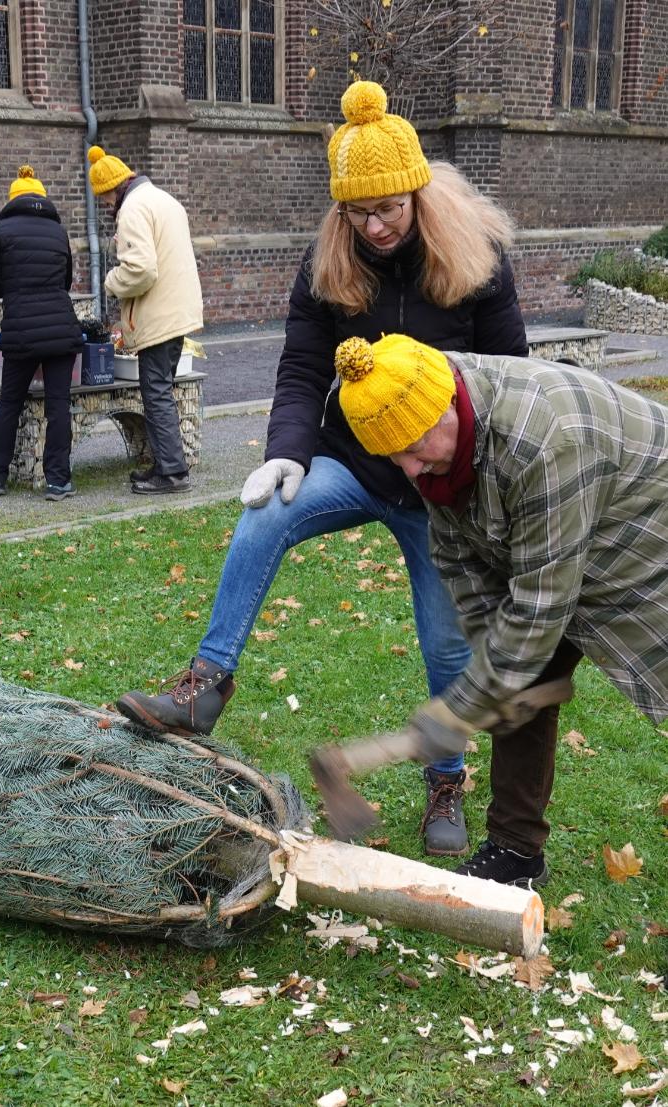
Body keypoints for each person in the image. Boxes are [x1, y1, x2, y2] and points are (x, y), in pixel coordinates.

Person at [116, 80, 529, 858]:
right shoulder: (330, 259)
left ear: (415, 194)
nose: (375, 226)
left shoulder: (475, 258)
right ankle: (205, 685)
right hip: (352, 461)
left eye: (389, 209)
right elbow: (303, 365)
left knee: (446, 643)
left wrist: (480, 478)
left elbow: (510, 376)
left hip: (440, 484)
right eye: (358, 212)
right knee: (264, 515)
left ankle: (446, 778)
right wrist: (285, 451)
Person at [331, 330, 668, 885]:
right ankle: (515, 851)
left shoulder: (542, 440)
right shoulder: (424, 407)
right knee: (513, 671)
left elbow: (539, 609)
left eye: (414, 448)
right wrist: (494, 679)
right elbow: (461, 558)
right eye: (393, 457)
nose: (409, 469)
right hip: (562, 530)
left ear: (448, 409)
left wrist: (459, 709)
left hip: (644, 525)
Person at [87, 145, 203, 495]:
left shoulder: (132, 209)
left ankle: (171, 473)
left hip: (159, 315)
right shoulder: (163, 199)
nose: (106, 206)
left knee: (156, 395)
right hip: (178, 311)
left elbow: (141, 270)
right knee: (160, 391)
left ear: (110, 189)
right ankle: (166, 465)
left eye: (103, 199)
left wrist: (111, 282)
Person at [0, 165, 83, 501]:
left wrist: (13, 285)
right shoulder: (58, 232)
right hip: (60, 328)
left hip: (21, 330)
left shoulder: (0, 231)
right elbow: (65, 281)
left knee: (10, 402)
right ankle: (58, 481)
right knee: (58, 405)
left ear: (13, 199)